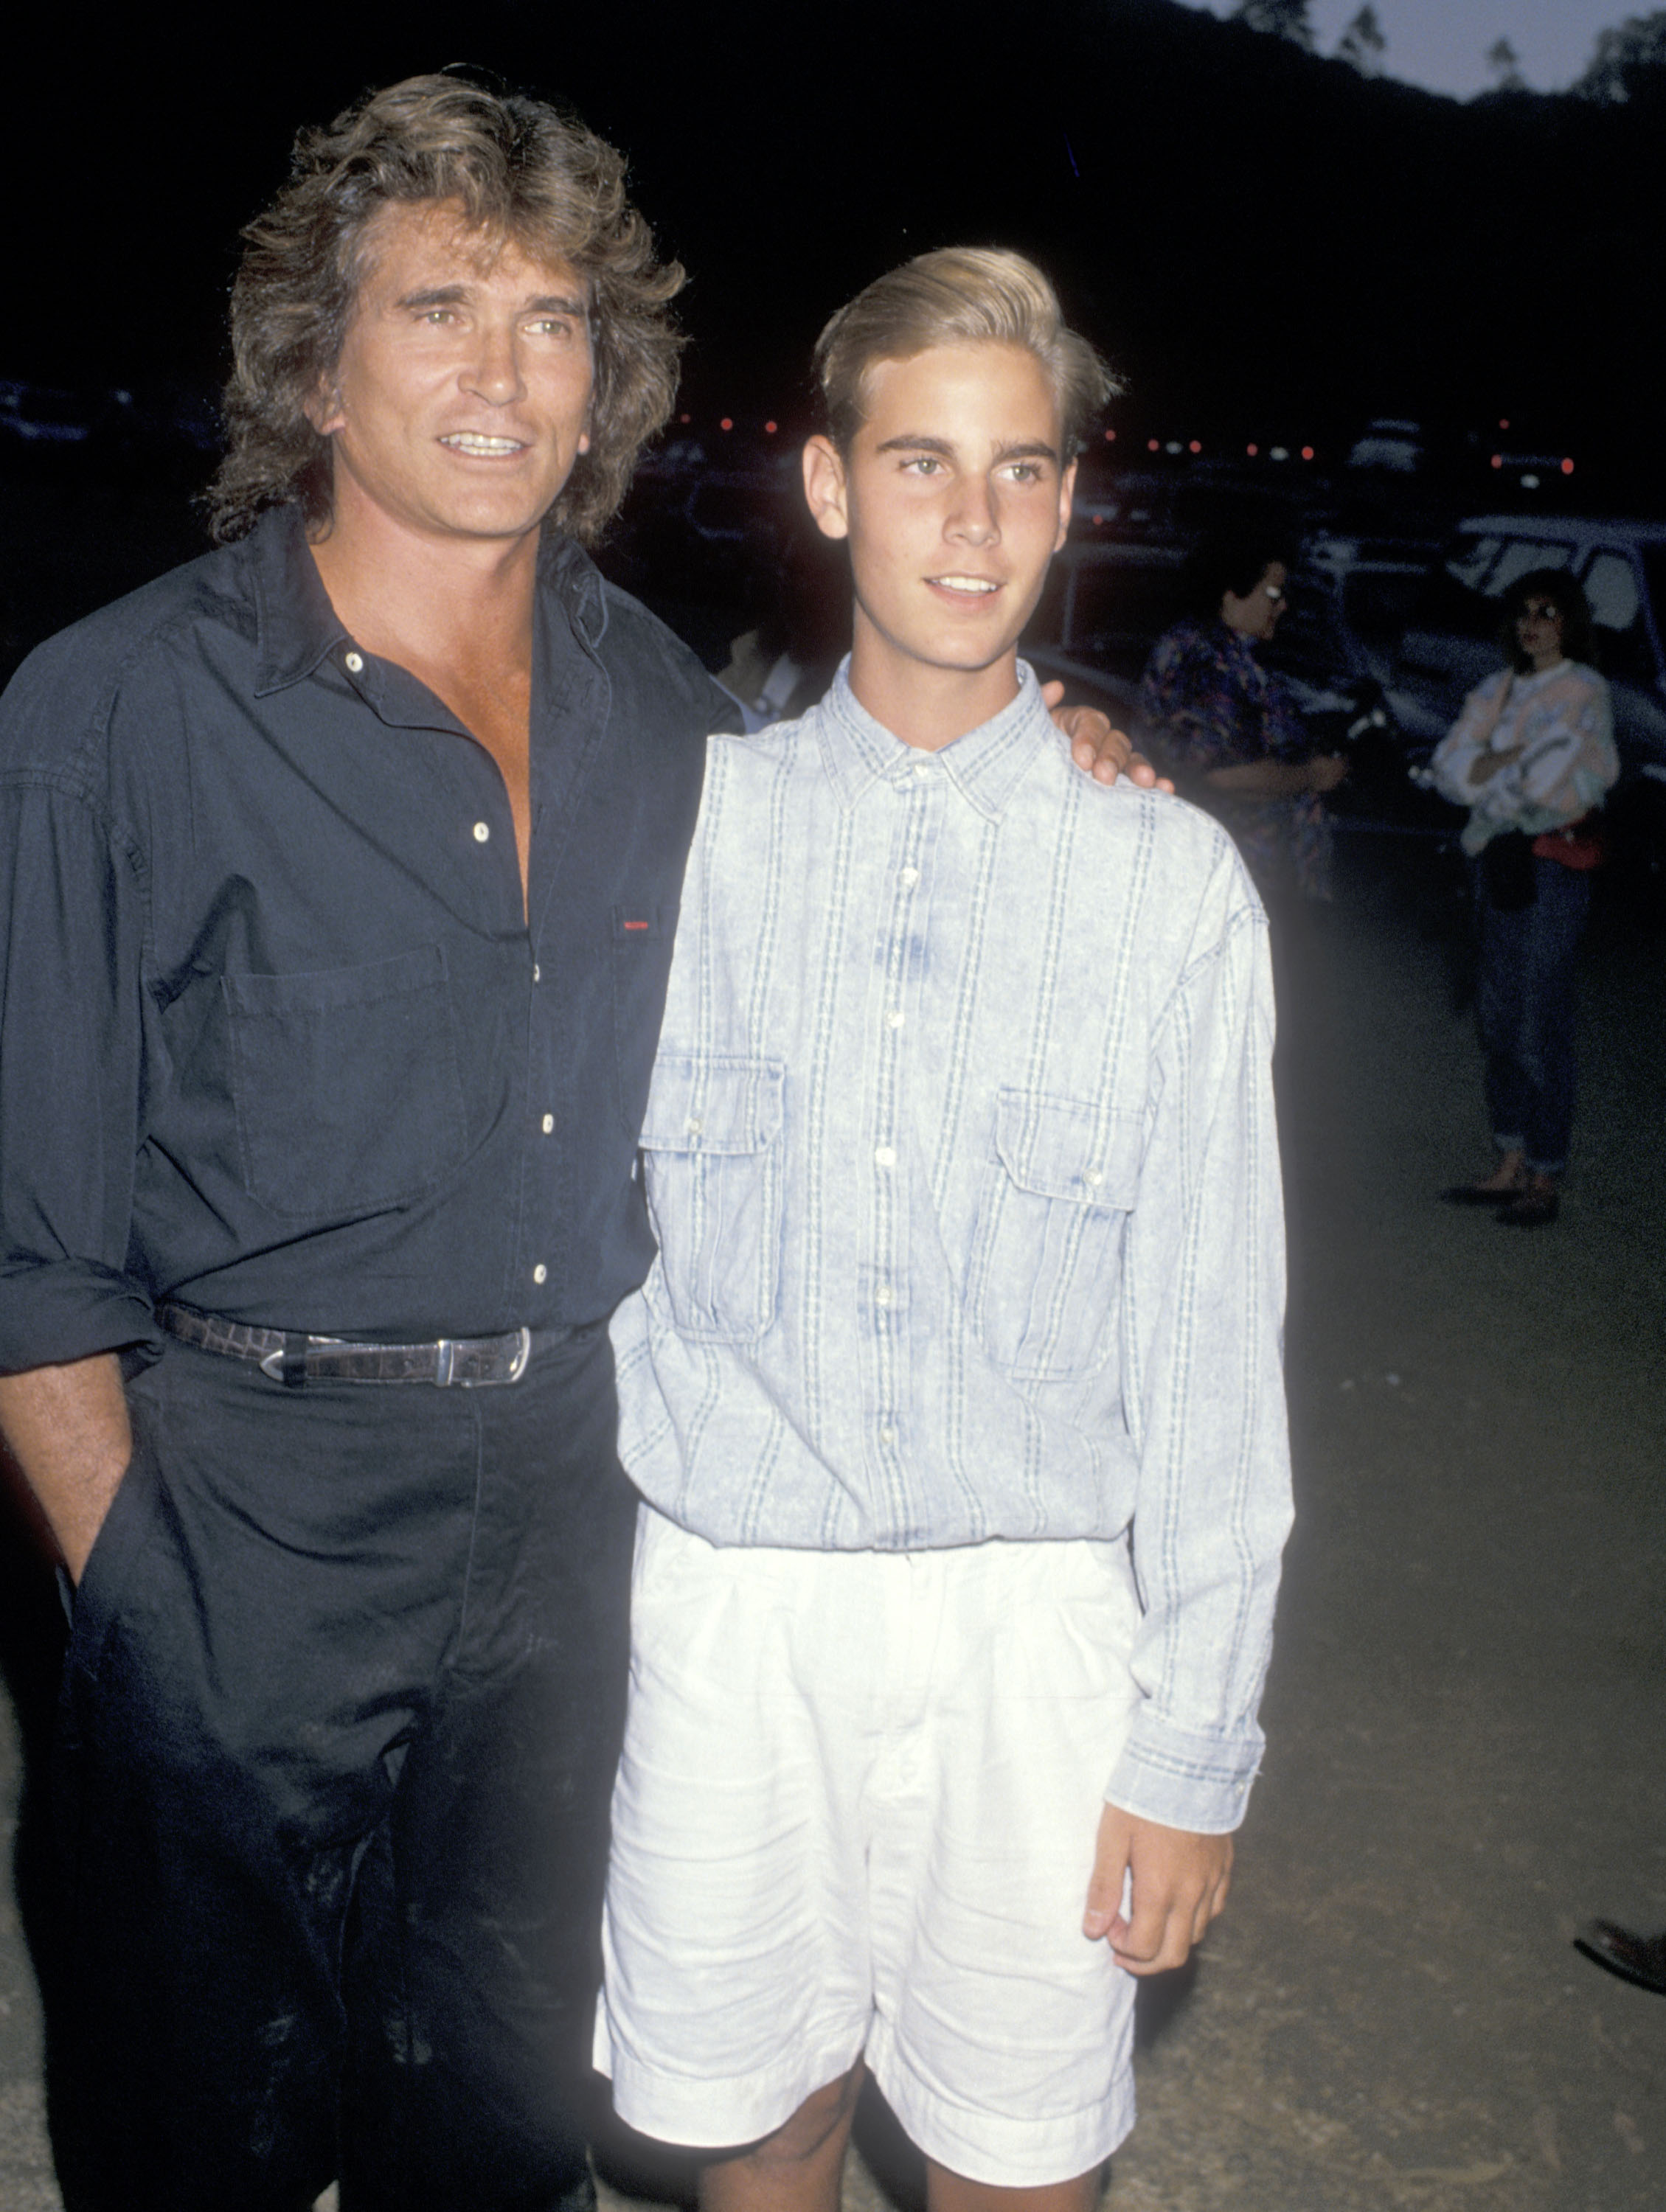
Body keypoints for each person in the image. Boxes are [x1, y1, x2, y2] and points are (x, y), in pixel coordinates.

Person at [0, 80, 1144, 2211]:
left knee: (507, 2123)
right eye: (438, 307)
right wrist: (145, 1601)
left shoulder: (678, 724)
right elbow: (25, 1251)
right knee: (198, 2130)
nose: (503, 372)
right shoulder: (113, 715)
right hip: (243, 1517)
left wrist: (1065, 754)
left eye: (551, 320)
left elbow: (897, 826)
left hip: (583, 1522)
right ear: (313, 366)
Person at [594, 249, 1294, 2212]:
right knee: (770, 2124)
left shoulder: (1166, 892)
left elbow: (1209, 1349)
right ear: (826, 487)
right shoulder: (676, 840)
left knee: (1013, 2168)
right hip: (737, 1612)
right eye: (917, 464)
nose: (967, 522)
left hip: (1036, 1635)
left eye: (1015, 470)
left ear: (1070, 500)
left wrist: (1192, 1743)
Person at [1429, 569, 1618, 1228]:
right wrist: (1514, 761)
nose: (1531, 624)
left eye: (1547, 612)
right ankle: (1507, 1162)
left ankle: (1544, 1172)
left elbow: (1564, 785)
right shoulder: (1496, 688)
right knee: (1499, 1020)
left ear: (1569, 622)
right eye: (1522, 613)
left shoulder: (1586, 691)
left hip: (1553, 873)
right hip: (1498, 868)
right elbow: (1449, 771)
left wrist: (1495, 768)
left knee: (1540, 1022)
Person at [1139, 529, 1347, 905]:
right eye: (1272, 595)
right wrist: (1313, 776)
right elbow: (1223, 774)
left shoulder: (1233, 656)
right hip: (1227, 881)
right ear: (1230, 595)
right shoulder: (1204, 660)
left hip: (1250, 878)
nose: (1282, 605)